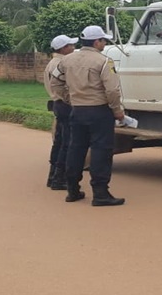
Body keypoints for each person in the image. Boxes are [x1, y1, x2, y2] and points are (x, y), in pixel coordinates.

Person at [50, 25, 127, 206]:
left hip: (77, 110)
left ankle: (72, 189)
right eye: (103, 40)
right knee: (101, 150)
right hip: (99, 111)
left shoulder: (67, 60)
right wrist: (117, 109)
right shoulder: (104, 62)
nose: (104, 44)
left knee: (76, 148)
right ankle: (100, 193)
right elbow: (112, 90)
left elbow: (55, 82)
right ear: (96, 41)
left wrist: (69, 98)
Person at [43, 34, 78, 190]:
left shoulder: (52, 63)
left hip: (57, 103)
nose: (73, 47)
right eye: (71, 45)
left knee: (59, 142)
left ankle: (53, 176)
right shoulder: (62, 64)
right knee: (67, 143)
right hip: (65, 104)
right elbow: (65, 87)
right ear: (64, 48)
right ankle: (59, 178)